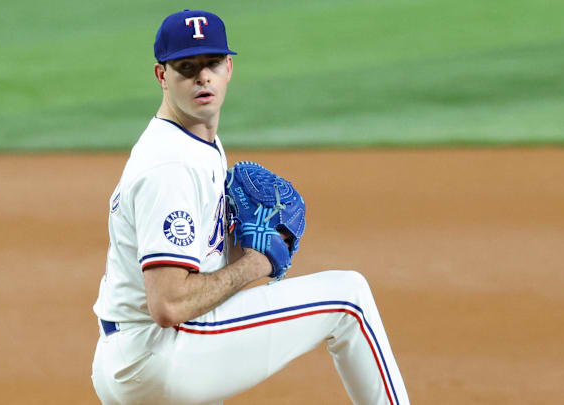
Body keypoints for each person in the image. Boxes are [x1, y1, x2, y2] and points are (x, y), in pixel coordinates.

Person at [91, 9, 410, 405]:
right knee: (349, 298)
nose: (201, 76)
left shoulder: (196, 140)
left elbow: (201, 265)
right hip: (159, 353)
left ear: (228, 67)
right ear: (162, 76)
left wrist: (240, 246)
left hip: (138, 357)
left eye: (210, 63)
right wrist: (257, 263)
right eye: (186, 67)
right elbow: (169, 304)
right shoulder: (170, 167)